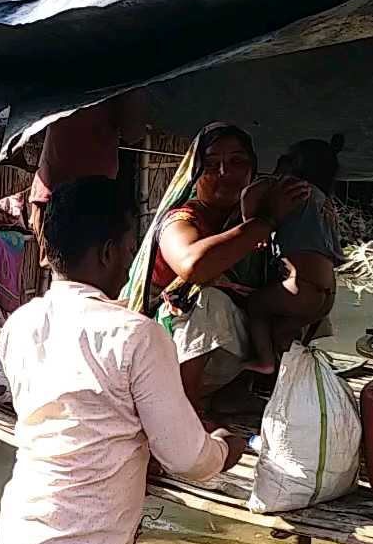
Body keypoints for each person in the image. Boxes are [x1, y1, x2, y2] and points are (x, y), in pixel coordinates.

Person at [0, 176, 246, 544]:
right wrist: (226, 446)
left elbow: (68, 419)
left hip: (24, 534)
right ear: (112, 251)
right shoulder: (134, 335)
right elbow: (187, 457)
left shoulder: (21, 324)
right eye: (131, 249)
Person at [119, 122, 310, 414]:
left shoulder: (254, 217)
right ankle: (183, 410)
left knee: (299, 297)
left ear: (252, 170)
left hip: (234, 348)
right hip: (161, 353)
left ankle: (239, 391)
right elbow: (194, 266)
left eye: (237, 162)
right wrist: (264, 223)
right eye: (211, 165)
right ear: (195, 174)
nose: (225, 173)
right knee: (208, 301)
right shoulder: (182, 220)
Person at [242, 135, 347, 374]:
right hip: (327, 295)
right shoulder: (324, 201)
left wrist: (251, 226)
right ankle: (288, 378)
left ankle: (265, 362)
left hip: (301, 287)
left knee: (255, 305)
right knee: (280, 332)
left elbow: (249, 193)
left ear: (291, 163)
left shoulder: (289, 186)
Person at [28, 93, 147, 269]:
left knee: (62, 272)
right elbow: (133, 132)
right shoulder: (122, 80)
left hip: (58, 191)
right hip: (82, 200)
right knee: (82, 272)